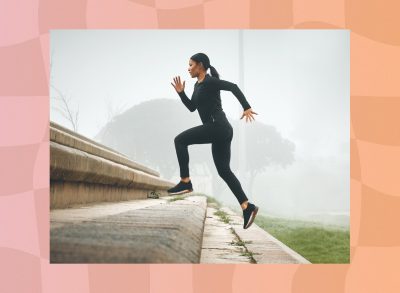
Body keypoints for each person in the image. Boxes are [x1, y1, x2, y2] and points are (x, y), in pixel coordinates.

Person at [169, 52, 259, 229]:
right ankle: (247, 206)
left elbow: (233, 87)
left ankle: (185, 181)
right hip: (222, 130)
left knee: (180, 140)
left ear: (200, 65)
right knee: (224, 171)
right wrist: (181, 93)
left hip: (217, 127)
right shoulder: (197, 86)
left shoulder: (210, 82)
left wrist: (246, 107)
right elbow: (192, 108)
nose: (188, 68)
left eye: (191, 65)